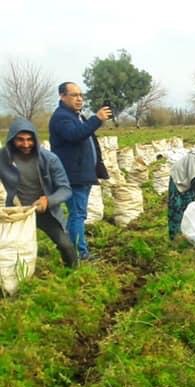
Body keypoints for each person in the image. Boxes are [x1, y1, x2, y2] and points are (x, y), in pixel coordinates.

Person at [0, 118, 77, 268]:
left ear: (35, 138)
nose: (26, 144)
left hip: (44, 212)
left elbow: (65, 189)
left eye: (30, 139)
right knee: (9, 250)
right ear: (11, 139)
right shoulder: (2, 158)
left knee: (66, 245)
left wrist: (48, 200)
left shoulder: (49, 159)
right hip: (14, 213)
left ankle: (74, 272)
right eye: (20, 140)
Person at [48, 82, 111, 261]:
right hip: (73, 175)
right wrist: (96, 118)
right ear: (62, 96)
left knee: (77, 214)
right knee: (77, 214)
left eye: (80, 95)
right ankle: (79, 254)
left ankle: (70, 248)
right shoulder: (61, 117)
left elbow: (84, 135)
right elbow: (74, 135)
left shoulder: (76, 116)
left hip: (82, 174)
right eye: (74, 95)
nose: (79, 99)